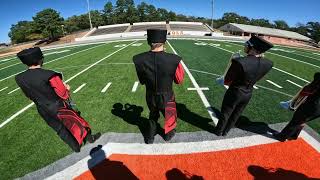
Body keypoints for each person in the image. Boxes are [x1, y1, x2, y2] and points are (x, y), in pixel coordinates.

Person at [15, 47, 101, 152]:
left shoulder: (19, 78)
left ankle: (75, 147)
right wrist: (67, 88)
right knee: (77, 122)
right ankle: (90, 138)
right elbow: (63, 94)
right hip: (59, 107)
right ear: (39, 60)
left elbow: (28, 95)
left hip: (42, 108)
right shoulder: (49, 75)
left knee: (60, 129)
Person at [133, 29, 185, 144]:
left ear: (148, 42)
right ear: (164, 42)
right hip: (167, 95)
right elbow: (179, 80)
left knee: (153, 115)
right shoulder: (174, 59)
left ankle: (150, 137)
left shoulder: (138, 59)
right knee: (170, 115)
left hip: (150, 94)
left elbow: (142, 80)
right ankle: (168, 135)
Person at [215, 36, 274, 136]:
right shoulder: (268, 63)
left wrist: (234, 63)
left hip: (235, 91)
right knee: (237, 113)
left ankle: (218, 131)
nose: (245, 46)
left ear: (253, 48)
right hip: (248, 92)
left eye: (248, 45)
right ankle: (226, 131)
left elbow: (227, 80)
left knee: (226, 112)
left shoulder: (239, 61)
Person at [274, 72, 320, 141]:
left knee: (295, 121)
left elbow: (306, 91)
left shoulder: (316, 81)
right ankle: (293, 135)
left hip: (312, 106)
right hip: (317, 111)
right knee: (303, 120)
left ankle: (282, 136)